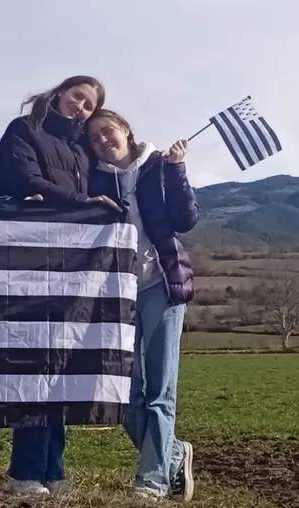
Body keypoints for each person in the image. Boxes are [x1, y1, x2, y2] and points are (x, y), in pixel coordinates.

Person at [0, 75, 115, 496]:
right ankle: (23, 472)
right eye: (77, 97)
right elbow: (24, 181)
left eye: (88, 105)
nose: (80, 107)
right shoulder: (25, 129)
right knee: (34, 365)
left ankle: (54, 469)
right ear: (61, 93)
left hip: (72, 266)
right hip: (30, 259)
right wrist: (82, 204)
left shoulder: (84, 149)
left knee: (62, 366)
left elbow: (105, 190)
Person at [85, 109, 199, 501]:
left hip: (163, 287)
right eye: (95, 137)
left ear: (126, 130)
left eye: (108, 131)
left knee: (160, 391)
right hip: (117, 293)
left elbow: (185, 219)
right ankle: (173, 453)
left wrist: (178, 169)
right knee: (126, 397)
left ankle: (152, 482)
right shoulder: (94, 178)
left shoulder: (157, 165)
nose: (102, 140)